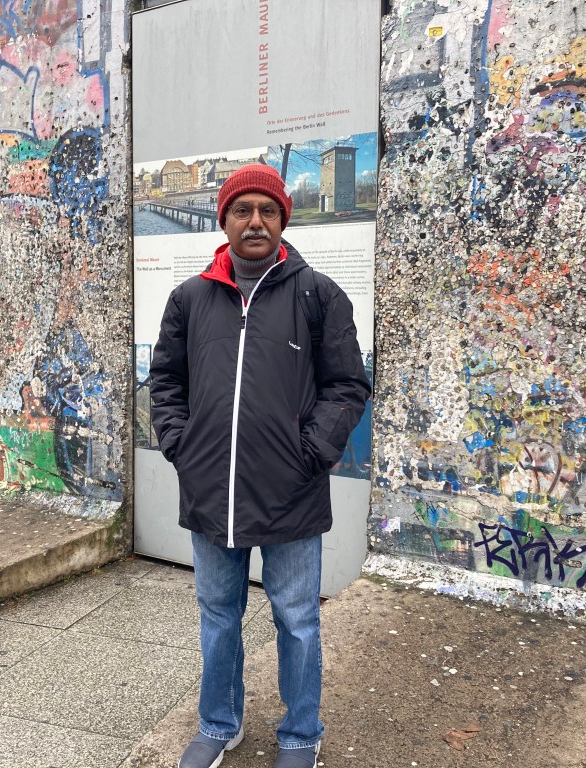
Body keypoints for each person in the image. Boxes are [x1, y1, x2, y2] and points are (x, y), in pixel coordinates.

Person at [149, 164, 371, 768]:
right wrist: (182, 446)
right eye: (242, 210)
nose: (255, 221)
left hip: (291, 492)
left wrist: (310, 454)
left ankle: (300, 735)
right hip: (211, 491)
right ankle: (218, 724)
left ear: (282, 221)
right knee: (218, 616)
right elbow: (166, 381)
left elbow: (347, 386)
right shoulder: (190, 299)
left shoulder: (318, 295)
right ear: (223, 220)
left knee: (297, 619)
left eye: (267, 210)